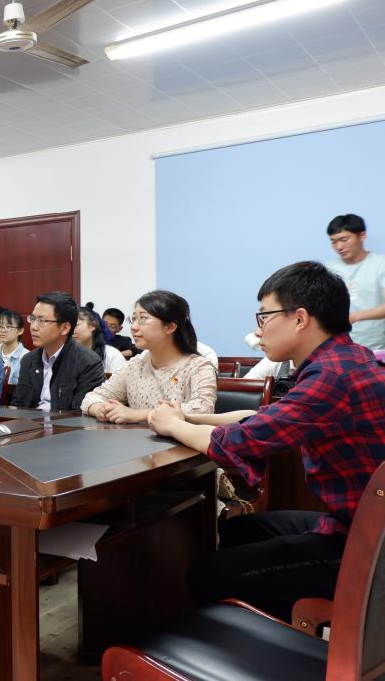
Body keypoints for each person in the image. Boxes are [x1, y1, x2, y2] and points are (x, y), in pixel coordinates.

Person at [149, 261, 385, 620]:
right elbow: (265, 419)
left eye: (264, 316)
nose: (258, 330)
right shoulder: (348, 360)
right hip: (363, 523)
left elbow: (236, 441)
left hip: (368, 546)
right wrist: (189, 418)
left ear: (300, 318)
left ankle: (272, 644)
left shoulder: (331, 378)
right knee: (240, 531)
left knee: (209, 572)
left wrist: (170, 423)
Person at [80, 290, 216, 423]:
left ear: (170, 327)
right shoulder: (136, 364)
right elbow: (93, 397)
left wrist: (139, 415)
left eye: (143, 319)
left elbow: (203, 410)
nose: (133, 327)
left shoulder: (198, 367)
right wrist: (101, 409)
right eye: (133, 319)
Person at [11, 292, 105, 411]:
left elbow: (80, 412)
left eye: (42, 320)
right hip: (30, 422)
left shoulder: (88, 363)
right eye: (33, 319)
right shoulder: (28, 360)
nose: (33, 327)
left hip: (64, 423)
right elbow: (19, 405)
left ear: (65, 328)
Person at [325, 214, 385, 350]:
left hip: (376, 347)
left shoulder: (381, 264)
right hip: (339, 346)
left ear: (362, 236)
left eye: (344, 239)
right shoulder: (328, 269)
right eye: (333, 241)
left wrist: (356, 316)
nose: (339, 246)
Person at [74, 306, 127, 374]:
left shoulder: (112, 355)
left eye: (76, 325)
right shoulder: (65, 353)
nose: (71, 330)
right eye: (67, 326)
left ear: (92, 326)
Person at [0, 309, 29, 384]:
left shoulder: (26, 358)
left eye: (8, 327)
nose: (3, 330)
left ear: (20, 331)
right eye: (0, 326)